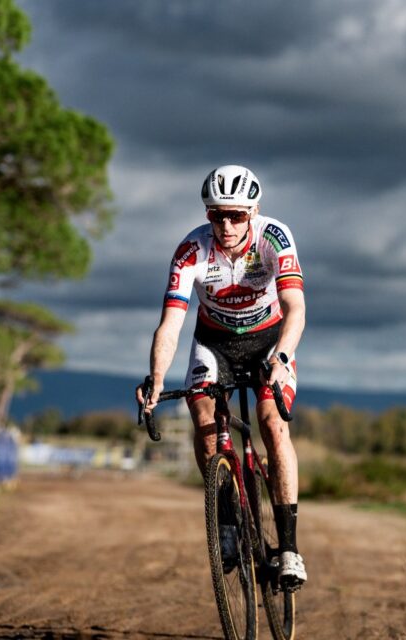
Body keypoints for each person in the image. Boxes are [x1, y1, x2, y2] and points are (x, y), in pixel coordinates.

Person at [136, 165, 308, 589]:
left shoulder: (274, 237)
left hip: (269, 340)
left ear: (254, 212)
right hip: (213, 343)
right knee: (206, 426)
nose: (226, 225)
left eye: (235, 215)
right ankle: (228, 522)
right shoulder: (191, 251)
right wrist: (156, 378)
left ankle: (288, 548)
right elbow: (171, 325)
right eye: (216, 215)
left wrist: (282, 356)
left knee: (272, 424)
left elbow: (295, 307)